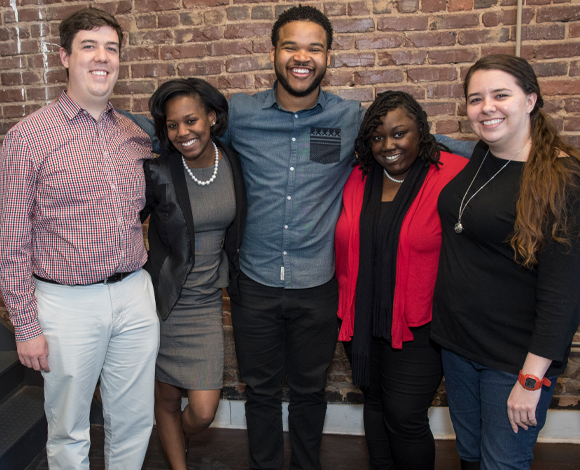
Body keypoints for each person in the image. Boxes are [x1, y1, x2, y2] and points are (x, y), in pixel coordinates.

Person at [121, 6, 475, 468]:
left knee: (311, 392)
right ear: (274, 53)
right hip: (255, 283)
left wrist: (507, 147)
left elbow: (428, 141)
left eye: (314, 47)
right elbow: (169, 126)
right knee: (261, 393)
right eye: (291, 46)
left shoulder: (350, 119)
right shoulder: (241, 114)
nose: (301, 57)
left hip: (317, 284)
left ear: (328, 56)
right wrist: (105, 122)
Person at [0, 7, 160, 470]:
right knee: (68, 429)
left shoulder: (135, 136)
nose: (102, 57)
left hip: (133, 293)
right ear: (65, 58)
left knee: (135, 420)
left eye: (111, 48)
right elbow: (11, 241)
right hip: (66, 304)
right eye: (89, 46)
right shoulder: (28, 137)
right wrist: (26, 325)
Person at [431, 54, 580, 470]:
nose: (486, 108)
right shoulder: (483, 154)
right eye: (476, 99)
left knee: (502, 464)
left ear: (531, 100)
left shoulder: (563, 180)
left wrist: (531, 380)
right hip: (459, 347)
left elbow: (564, 296)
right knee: (470, 456)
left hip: (513, 361)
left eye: (500, 95)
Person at [335, 91, 466, 470]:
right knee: (374, 406)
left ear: (420, 133)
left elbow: (493, 153)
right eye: (377, 137)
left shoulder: (450, 173)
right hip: (361, 323)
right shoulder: (358, 178)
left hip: (419, 326)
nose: (388, 145)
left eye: (399, 134)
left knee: (404, 416)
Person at [142, 78, 246, 470]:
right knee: (166, 399)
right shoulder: (160, 171)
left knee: (202, 411)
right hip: (163, 302)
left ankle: (176, 435)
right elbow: (124, 219)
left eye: (191, 121)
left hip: (205, 304)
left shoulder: (232, 161)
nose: (183, 132)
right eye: (172, 125)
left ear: (212, 118)